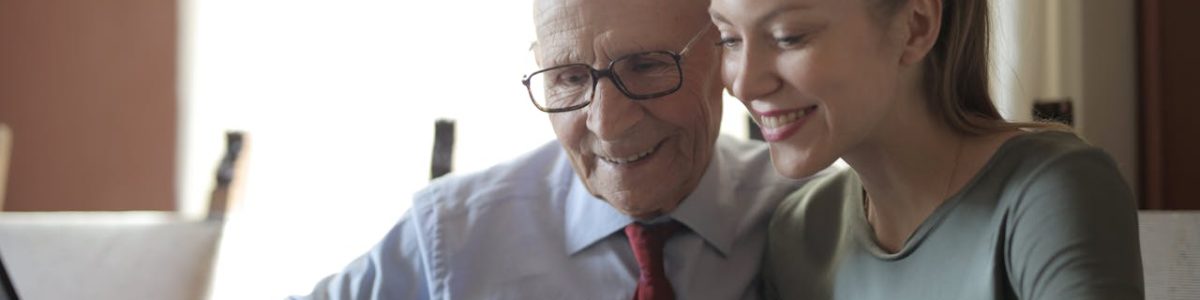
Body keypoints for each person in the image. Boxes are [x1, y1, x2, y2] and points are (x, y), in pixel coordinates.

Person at [291, 0, 824, 299]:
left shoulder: (816, 215)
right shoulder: (451, 238)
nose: (607, 124)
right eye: (569, 78)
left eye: (647, 66)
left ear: (726, 56)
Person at [710, 0, 1144, 299]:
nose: (744, 84)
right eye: (729, 39)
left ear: (914, 26)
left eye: (788, 37)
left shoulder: (1048, 193)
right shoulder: (797, 233)